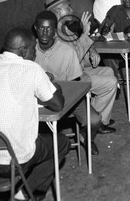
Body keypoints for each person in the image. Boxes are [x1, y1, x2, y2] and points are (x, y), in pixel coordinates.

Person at [0, 28, 69, 200]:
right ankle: (25, 195)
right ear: (24, 50)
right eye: (34, 48)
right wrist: (55, 87)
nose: (35, 53)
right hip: (7, 163)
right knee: (61, 143)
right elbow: (57, 104)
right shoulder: (31, 69)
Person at [45, 0, 117, 134]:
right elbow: (73, 58)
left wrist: (91, 49)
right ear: (59, 11)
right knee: (111, 82)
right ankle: (94, 123)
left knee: (108, 71)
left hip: (78, 71)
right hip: (69, 80)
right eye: (68, 7)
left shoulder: (64, 28)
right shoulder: (55, 35)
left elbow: (78, 46)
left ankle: (96, 117)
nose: (71, 10)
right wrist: (84, 34)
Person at [34, 11, 102, 155]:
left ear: (55, 31)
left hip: (64, 97)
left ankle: (86, 138)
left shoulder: (67, 52)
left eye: (49, 28)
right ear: (35, 28)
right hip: (35, 99)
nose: (45, 32)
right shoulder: (28, 50)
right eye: (41, 28)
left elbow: (74, 85)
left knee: (94, 120)